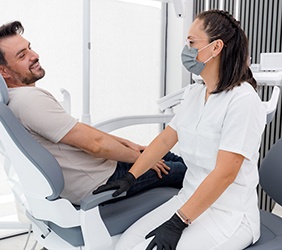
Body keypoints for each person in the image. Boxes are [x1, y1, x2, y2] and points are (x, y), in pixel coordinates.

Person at [93, 10, 266, 250]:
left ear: (216, 48)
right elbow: (166, 140)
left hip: (228, 215)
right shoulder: (195, 93)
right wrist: (130, 177)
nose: (186, 48)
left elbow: (225, 173)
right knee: (125, 245)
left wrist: (179, 222)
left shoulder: (243, 100)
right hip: (188, 198)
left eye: (192, 42)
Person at [0, 21, 187, 206]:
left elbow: (85, 133)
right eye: (22, 55)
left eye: (30, 48)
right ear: (3, 71)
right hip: (101, 181)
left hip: (98, 170)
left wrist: (130, 145)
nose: (34, 55)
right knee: (186, 172)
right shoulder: (30, 101)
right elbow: (96, 145)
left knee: (166, 155)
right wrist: (143, 161)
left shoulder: (15, 100)